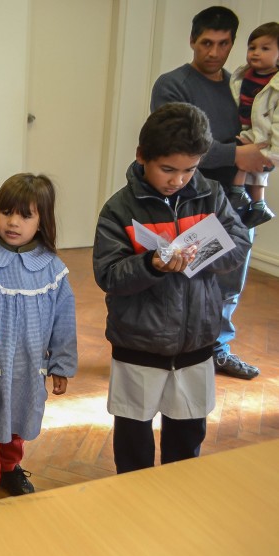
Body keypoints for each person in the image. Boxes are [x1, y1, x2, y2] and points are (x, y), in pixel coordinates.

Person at [93, 102, 251, 473]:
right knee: (133, 439)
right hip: (138, 344)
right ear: (141, 156)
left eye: (189, 169)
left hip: (197, 342)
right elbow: (109, 275)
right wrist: (151, 264)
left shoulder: (211, 195)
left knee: (187, 436)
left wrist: (200, 254)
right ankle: (133, 495)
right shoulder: (119, 209)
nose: (178, 180)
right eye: (168, 169)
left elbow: (239, 245)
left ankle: (179, 495)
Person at [150, 6, 269, 380]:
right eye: (206, 43)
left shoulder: (242, 87)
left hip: (238, 200)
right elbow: (175, 143)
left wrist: (259, 156)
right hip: (191, 200)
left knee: (230, 280)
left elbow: (260, 132)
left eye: (223, 44)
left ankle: (217, 351)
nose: (214, 52)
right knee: (185, 276)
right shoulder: (173, 85)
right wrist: (237, 154)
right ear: (192, 40)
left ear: (233, 43)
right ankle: (175, 351)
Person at [0, 173, 77, 505]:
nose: (13, 222)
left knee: (18, 423)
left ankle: (10, 468)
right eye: (7, 212)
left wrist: (62, 365)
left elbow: (64, 321)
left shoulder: (52, 269)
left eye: (25, 215)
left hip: (28, 369)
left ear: (42, 220)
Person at [230, 22, 279, 228]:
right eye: (252, 47)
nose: (256, 53)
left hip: (264, 132)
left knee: (243, 152)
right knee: (255, 167)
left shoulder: (276, 82)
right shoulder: (243, 75)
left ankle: (238, 191)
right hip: (247, 126)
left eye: (265, 48)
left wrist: (274, 152)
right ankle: (259, 205)